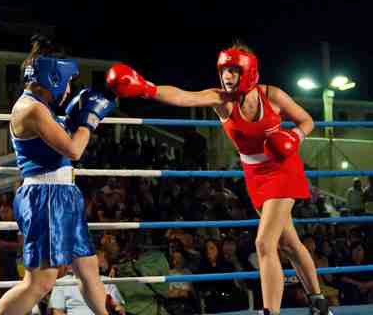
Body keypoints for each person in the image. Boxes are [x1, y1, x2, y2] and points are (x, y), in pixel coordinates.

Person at [106, 42, 333, 315]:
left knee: (264, 243)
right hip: (254, 175)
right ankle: (319, 302)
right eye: (224, 69)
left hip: (283, 169)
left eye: (234, 70)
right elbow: (183, 96)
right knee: (289, 243)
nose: (226, 76)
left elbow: (307, 120)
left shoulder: (272, 95)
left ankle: (270, 312)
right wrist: (146, 88)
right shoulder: (221, 100)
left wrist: (294, 137)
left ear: (248, 71)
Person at [0, 35, 116, 315]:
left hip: (63, 194)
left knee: (87, 267)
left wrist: (73, 119)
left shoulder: (42, 107)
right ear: (53, 76)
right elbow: (74, 150)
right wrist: (89, 120)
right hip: (45, 196)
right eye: (68, 81)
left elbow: (61, 141)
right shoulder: (32, 109)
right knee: (40, 282)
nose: (69, 89)